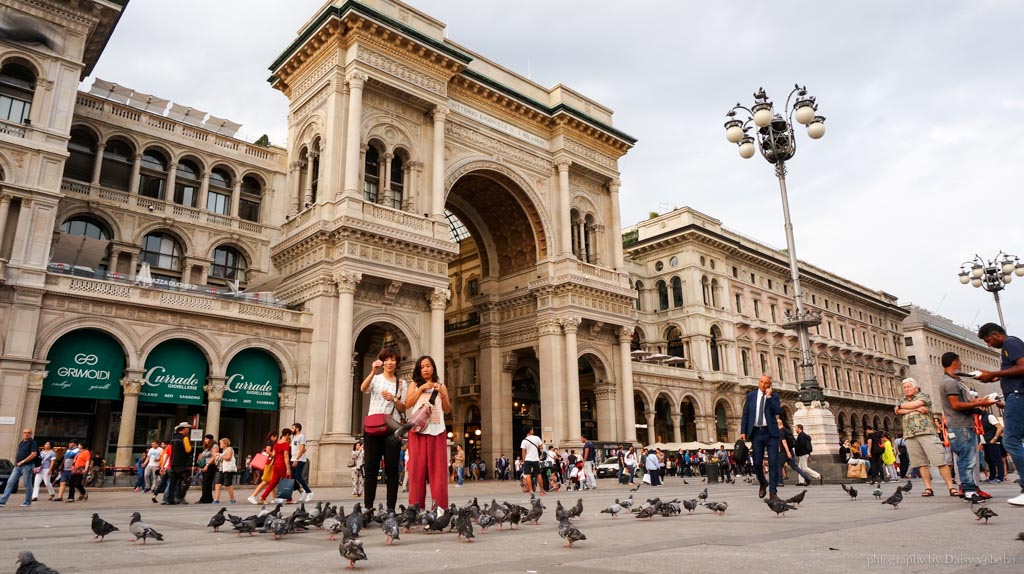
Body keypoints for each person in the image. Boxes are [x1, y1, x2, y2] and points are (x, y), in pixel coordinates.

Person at [976, 322, 1024, 506]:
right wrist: (1000, 375)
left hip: (1018, 396)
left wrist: (995, 373)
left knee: (1010, 441)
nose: (988, 344)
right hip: (1016, 396)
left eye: (988, 340)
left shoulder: (1009, 343)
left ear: (996, 334)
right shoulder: (1010, 345)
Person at [938, 351, 995, 502]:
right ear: (955, 363)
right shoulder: (950, 382)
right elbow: (955, 404)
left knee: (967, 459)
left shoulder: (953, 381)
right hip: (960, 426)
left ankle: (970, 488)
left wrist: (977, 403)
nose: (961, 365)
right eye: (960, 362)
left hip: (960, 425)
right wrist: (980, 403)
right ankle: (970, 491)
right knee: (967, 459)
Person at [360, 347, 407, 512]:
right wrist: (373, 371)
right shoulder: (376, 378)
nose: (389, 363)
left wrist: (393, 398)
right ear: (382, 361)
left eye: (393, 360)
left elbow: (404, 406)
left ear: (397, 363)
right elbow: (363, 389)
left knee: (392, 471)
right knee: (371, 469)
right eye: (386, 359)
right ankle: (368, 507)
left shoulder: (402, 383)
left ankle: (390, 508)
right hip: (373, 428)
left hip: (391, 430)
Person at [404, 354, 451, 511]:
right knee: (416, 471)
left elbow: (447, 409)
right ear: (418, 369)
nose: (425, 369)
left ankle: (440, 510)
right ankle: (416, 509)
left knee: (439, 473)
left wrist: (442, 395)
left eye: (428, 366)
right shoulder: (414, 385)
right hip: (417, 431)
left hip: (437, 431)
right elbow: (407, 404)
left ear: (433, 368)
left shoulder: (441, 386)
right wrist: (421, 389)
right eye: (422, 367)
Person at [894, 377, 955, 496]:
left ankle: (951, 487)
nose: (906, 389)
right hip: (910, 435)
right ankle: (928, 488)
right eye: (904, 387)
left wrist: (905, 407)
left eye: (908, 387)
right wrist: (915, 409)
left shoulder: (923, 396)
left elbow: (916, 403)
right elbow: (897, 410)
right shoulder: (902, 400)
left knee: (939, 460)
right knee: (920, 463)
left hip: (926, 432)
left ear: (915, 387)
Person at [740, 374, 781, 499]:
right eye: (762, 382)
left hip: (771, 433)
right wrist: (743, 431)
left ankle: (773, 491)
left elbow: (777, 411)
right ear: (759, 382)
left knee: (773, 462)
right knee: (757, 463)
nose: (763, 385)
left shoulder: (774, 396)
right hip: (756, 432)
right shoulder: (751, 396)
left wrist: (769, 397)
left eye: (766, 383)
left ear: (770, 385)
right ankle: (763, 482)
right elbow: (746, 414)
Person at [0, 428, 38, 507]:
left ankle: (28, 502)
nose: (26, 434)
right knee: (10, 482)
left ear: (31, 434)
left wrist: (23, 461)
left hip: (27, 466)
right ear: (22, 433)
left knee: (27, 484)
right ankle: (2, 501)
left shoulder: (33, 442)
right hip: (18, 466)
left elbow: (33, 454)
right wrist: (18, 462)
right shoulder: (21, 443)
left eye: (28, 433)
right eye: (25, 433)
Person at [257, 428, 292, 503]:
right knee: (287, 480)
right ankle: (289, 499)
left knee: (273, 482)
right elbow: (286, 456)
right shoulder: (285, 444)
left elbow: (273, 454)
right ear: (287, 435)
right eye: (289, 436)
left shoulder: (276, 444)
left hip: (276, 464)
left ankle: (263, 497)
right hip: (282, 464)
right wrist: (288, 468)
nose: (289, 438)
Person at [775, 419, 812, 487]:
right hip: (791, 451)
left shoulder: (781, 431)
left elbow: (784, 442)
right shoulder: (787, 430)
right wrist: (790, 452)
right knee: (795, 467)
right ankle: (807, 478)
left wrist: (787, 452)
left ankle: (780, 482)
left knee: (779, 466)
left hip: (784, 452)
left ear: (778, 424)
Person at [163, 421, 193, 505]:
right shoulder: (184, 438)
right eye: (187, 428)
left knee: (172, 482)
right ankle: (180, 497)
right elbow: (188, 449)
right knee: (185, 481)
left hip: (173, 463)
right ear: (184, 429)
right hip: (181, 463)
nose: (188, 430)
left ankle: (170, 499)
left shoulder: (173, 438)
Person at [247, 432, 276, 502]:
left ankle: (274, 498)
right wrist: (273, 454)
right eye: (276, 437)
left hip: (269, 464)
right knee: (266, 481)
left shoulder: (268, 442)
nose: (276, 439)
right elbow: (268, 450)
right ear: (273, 436)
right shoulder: (270, 442)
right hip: (269, 463)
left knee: (272, 481)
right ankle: (253, 496)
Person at [980, 407, 1005, 483]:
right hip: (985, 441)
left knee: (996, 459)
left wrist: (995, 438)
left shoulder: (990, 416)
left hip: (992, 441)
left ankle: (1000, 477)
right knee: (988, 459)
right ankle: (992, 476)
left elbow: (1000, 427)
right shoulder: (980, 417)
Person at [290, 422, 313, 502]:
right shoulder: (294, 437)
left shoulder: (301, 436)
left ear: (297, 428)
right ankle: (301, 490)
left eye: (293, 428)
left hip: (299, 459)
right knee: (292, 477)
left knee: (298, 476)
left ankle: (309, 492)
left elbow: (301, 449)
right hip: (292, 458)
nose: (292, 429)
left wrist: (296, 459)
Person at [213, 437, 237, 504]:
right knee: (217, 484)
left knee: (227, 485)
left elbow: (228, 458)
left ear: (225, 443)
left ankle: (232, 499)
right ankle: (216, 499)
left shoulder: (229, 449)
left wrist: (219, 454)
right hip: (221, 469)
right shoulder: (223, 451)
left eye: (221, 443)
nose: (220, 444)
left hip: (228, 469)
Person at [520, 427, 544, 494]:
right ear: (530, 431)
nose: (533, 430)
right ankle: (541, 490)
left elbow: (523, 452)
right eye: (532, 429)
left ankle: (530, 490)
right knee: (539, 475)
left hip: (528, 460)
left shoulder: (524, 441)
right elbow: (541, 447)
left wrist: (524, 461)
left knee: (528, 475)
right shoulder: (537, 438)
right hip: (535, 459)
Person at [197, 434, 218, 504]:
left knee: (206, 482)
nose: (205, 440)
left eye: (206, 439)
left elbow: (214, 457)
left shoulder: (214, 446)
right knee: (205, 482)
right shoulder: (206, 448)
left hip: (210, 466)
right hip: (204, 466)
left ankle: (205, 498)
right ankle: (208, 498)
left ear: (210, 439)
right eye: (204, 439)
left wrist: (207, 465)